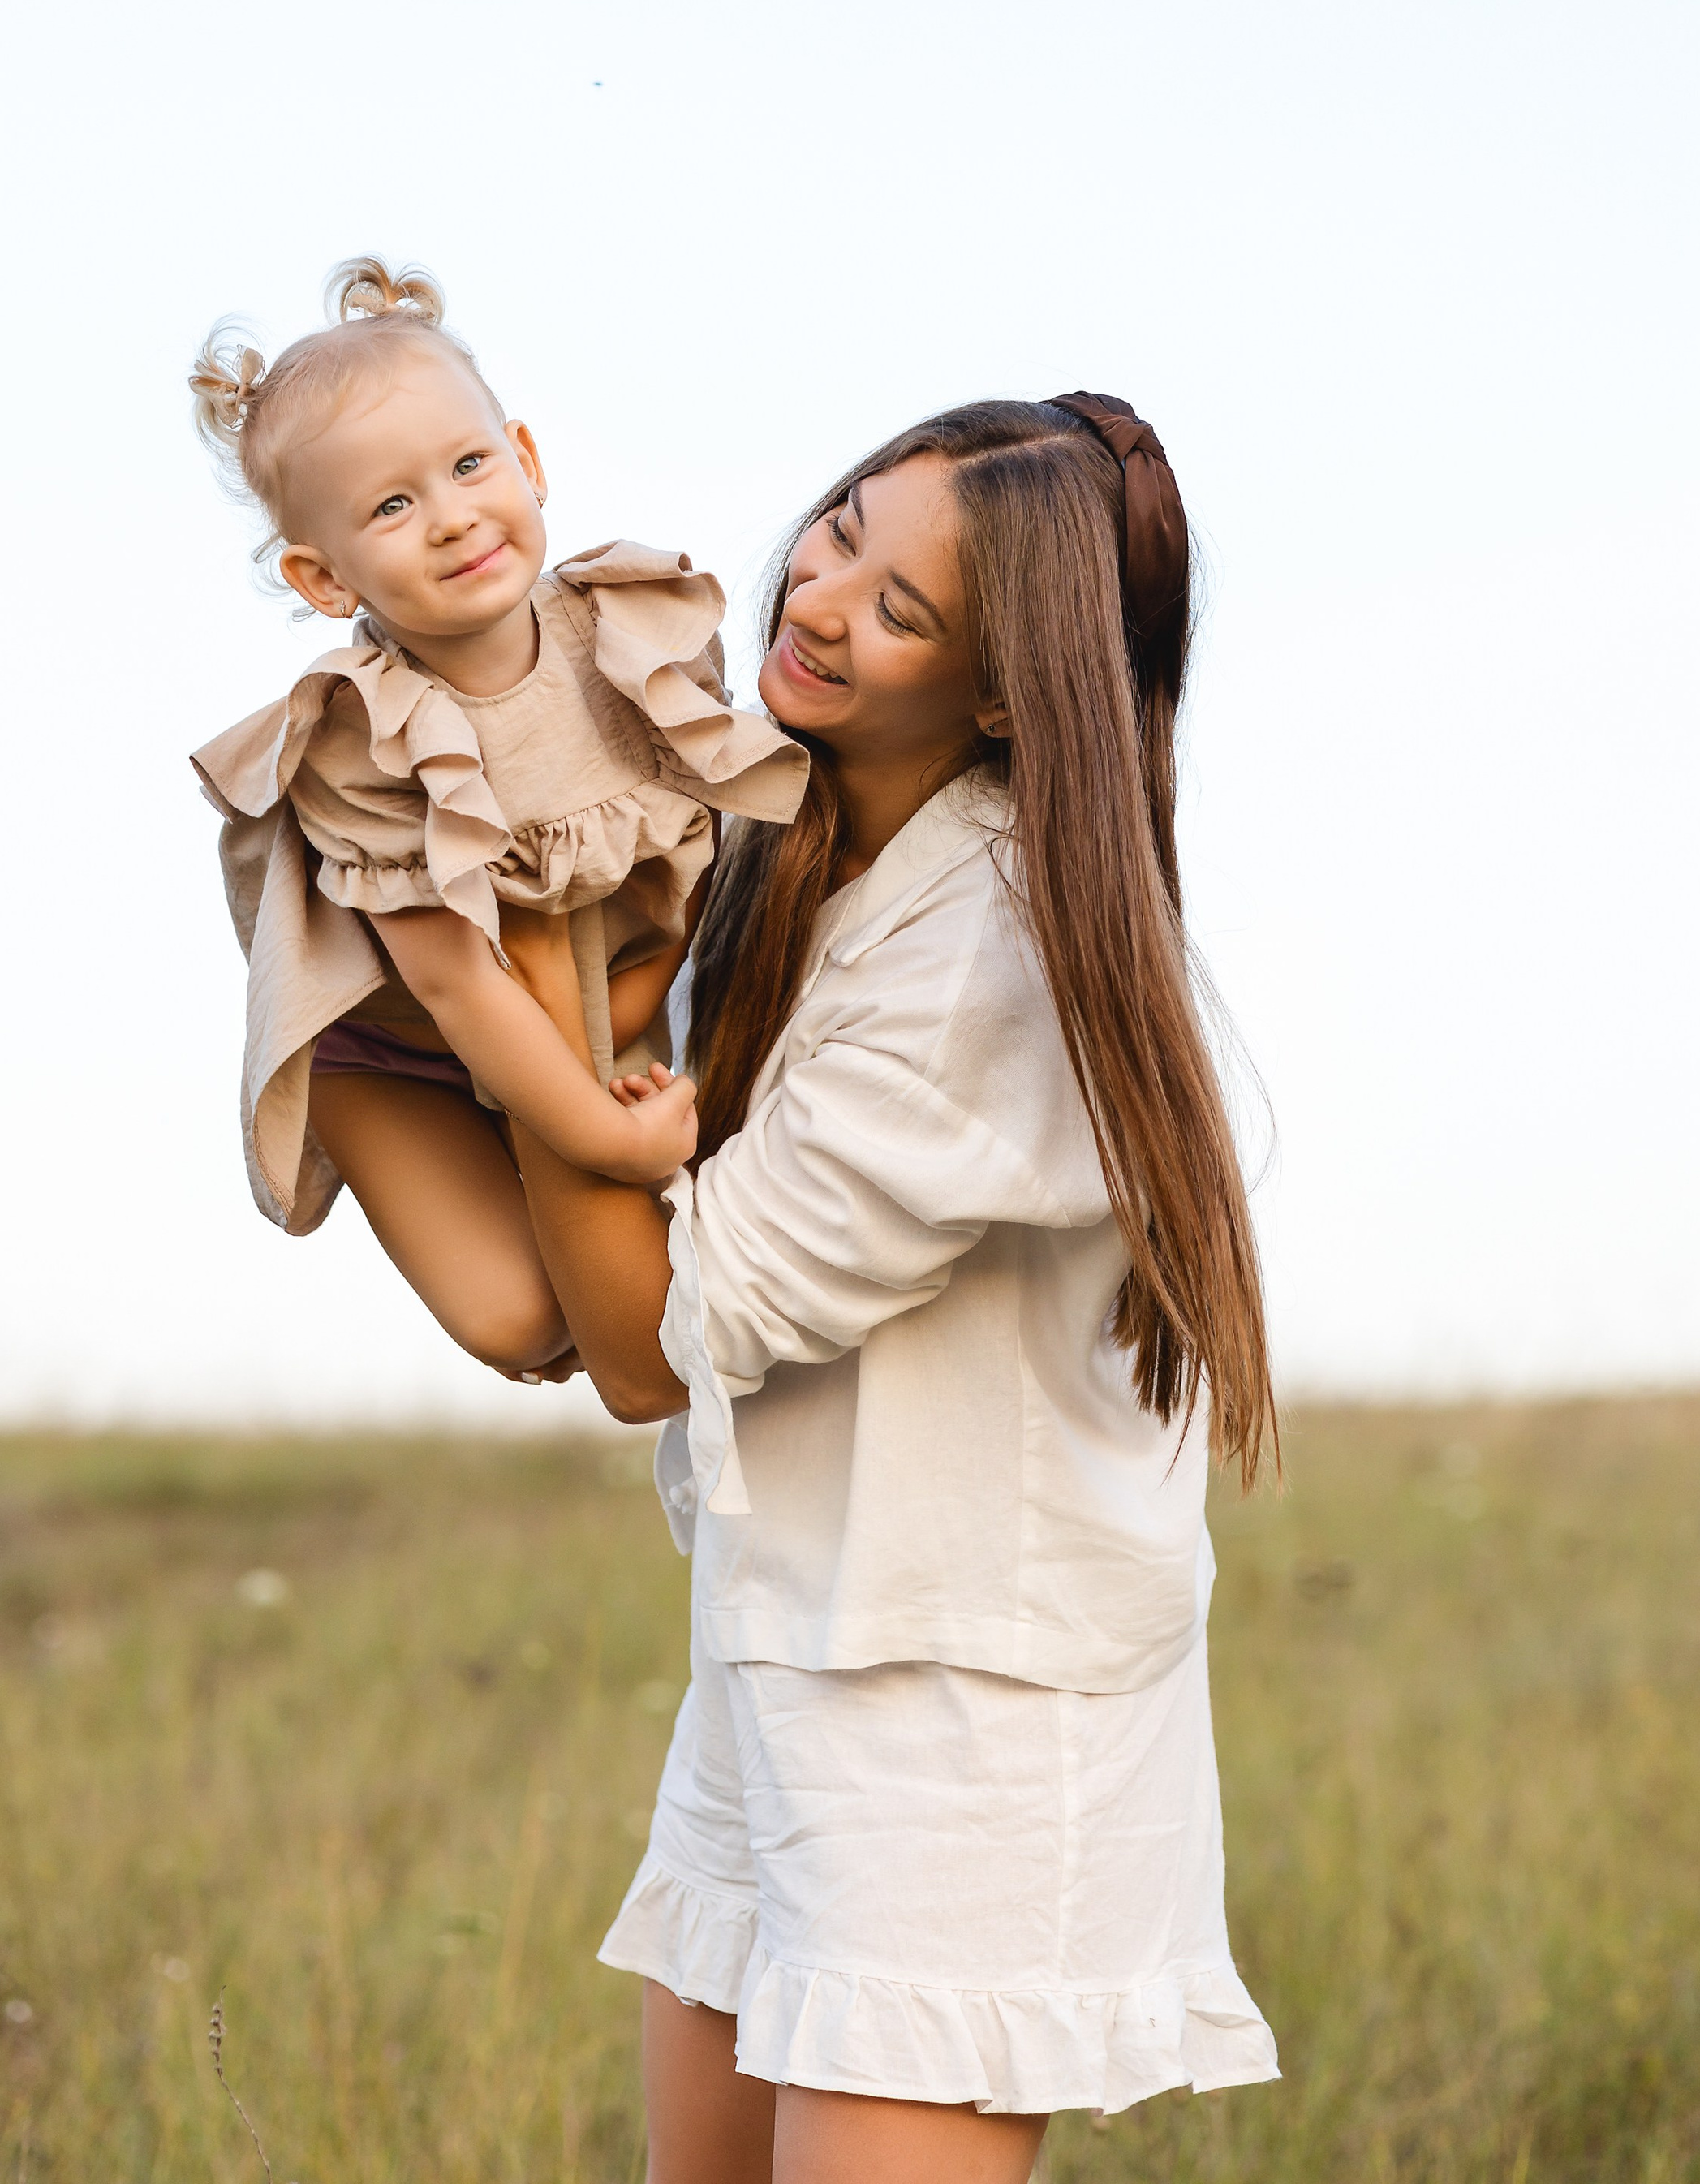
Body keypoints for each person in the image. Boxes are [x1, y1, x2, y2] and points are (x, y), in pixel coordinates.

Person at [509, 396, 1282, 2182]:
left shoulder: (985, 960)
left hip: (960, 1720)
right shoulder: (784, 855)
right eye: (843, 526)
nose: (821, 590)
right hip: (786, 1651)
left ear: (1006, 698)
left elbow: (643, 1339)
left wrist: (508, 998)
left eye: (903, 607)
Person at [186, 257, 807, 1379]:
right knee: (524, 1322)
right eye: (391, 506)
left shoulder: (627, 633)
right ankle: (486, 1157)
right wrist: (599, 1132)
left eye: (469, 465)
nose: (451, 517)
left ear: (525, 460)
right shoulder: (362, 739)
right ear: (326, 580)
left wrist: (614, 1053)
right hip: (402, 1047)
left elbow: (696, 864)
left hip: (594, 982)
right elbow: (455, 981)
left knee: (636, 1291)